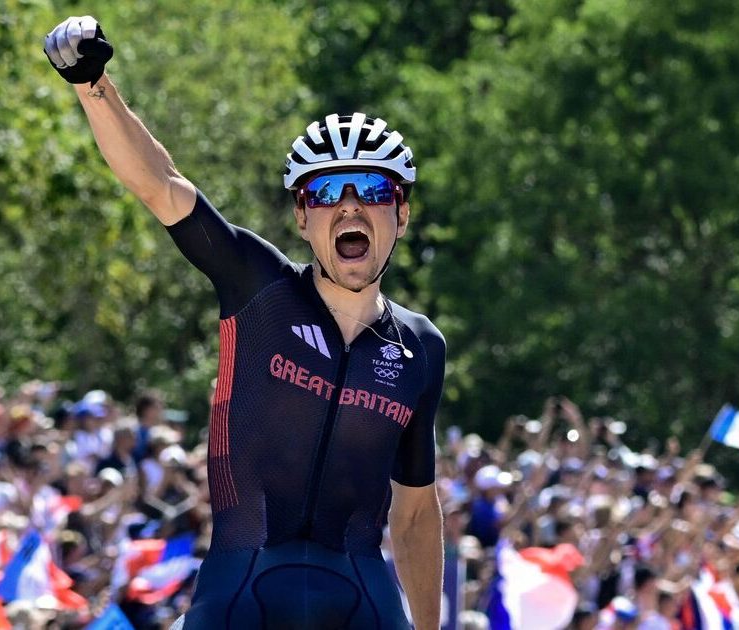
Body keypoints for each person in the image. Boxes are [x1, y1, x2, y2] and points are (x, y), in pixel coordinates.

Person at [45, 15, 446, 629]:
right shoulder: (257, 287)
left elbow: (415, 512)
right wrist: (90, 81)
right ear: (301, 219)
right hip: (243, 583)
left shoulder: (420, 347)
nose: (349, 208)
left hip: (361, 591)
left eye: (370, 188)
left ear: (402, 213)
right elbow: (161, 185)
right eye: (325, 194)